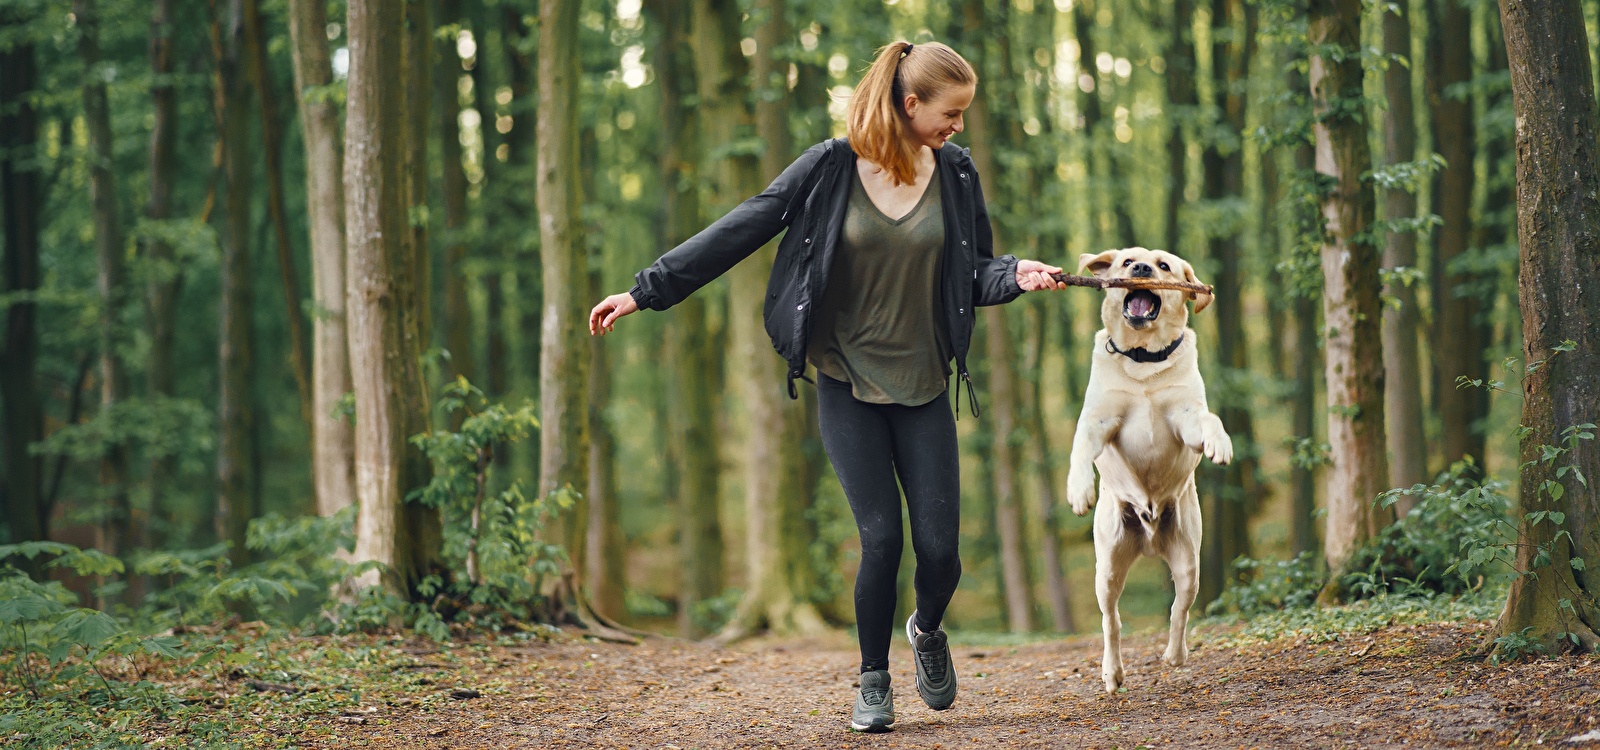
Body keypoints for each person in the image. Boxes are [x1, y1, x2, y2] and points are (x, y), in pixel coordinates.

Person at [589, 40, 1066, 733]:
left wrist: (1016, 275)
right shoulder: (831, 167)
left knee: (940, 552)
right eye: (951, 113)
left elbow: (976, 271)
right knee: (881, 538)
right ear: (910, 104)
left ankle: (926, 630)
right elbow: (742, 226)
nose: (958, 127)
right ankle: (873, 680)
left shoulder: (956, 173)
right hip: (846, 376)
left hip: (924, 380)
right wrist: (646, 291)